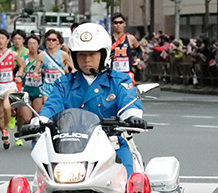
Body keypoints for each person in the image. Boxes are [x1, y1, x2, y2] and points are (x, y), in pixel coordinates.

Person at [39, 23, 146, 179]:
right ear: (74, 57)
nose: (86, 59)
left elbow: (129, 102)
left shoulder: (118, 80)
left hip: (111, 145)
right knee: (43, 186)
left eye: (92, 54)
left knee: (128, 184)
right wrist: (39, 121)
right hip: (70, 147)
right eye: (81, 55)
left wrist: (132, 117)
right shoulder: (64, 83)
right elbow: (52, 106)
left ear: (104, 55)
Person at [0, 29, 25, 149]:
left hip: (9, 85)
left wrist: (19, 75)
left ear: (7, 40)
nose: (0, 41)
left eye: (2, 38)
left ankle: (7, 122)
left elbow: (21, 65)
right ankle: (4, 133)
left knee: (7, 106)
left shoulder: (13, 54)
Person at [17, 35, 44, 147]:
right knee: (27, 118)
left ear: (38, 45)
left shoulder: (42, 58)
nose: (32, 46)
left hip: (38, 91)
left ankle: (35, 138)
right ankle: (22, 131)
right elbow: (20, 70)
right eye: (30, 44)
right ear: (27, 46)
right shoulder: (23, 59)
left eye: (34, 44)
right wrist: (18, 76)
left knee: (37, 117)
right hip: (26, 91)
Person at [40, 29, 74, 102]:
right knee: (47, 105)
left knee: (59, 107)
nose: (51, 42)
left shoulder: (63, 55)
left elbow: (73, 69)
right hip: (47, 86)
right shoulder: (42, 55)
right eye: (48, 40)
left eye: (53, 40)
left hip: (60, 86)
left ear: (58, 41)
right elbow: (36, 71)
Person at [110, 13, 142, 84]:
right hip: (113, 73)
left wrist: (137, 60)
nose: (118, 25)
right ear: (112, 25)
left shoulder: (131, 38)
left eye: (120, 22)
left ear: (124, 24)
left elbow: (139, 51)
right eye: (116, 23)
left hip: (127, 73)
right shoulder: (109, 40)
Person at [9, 29, 28, 131]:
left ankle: (19, 131)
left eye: (19, 39)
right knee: (9, 103)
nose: (17, 41)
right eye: (15, 39)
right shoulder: (9, 52)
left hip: (24, 82)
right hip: (10, 81)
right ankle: (12, 115)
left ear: (23, 40)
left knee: (21, 109)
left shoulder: (27, 52)